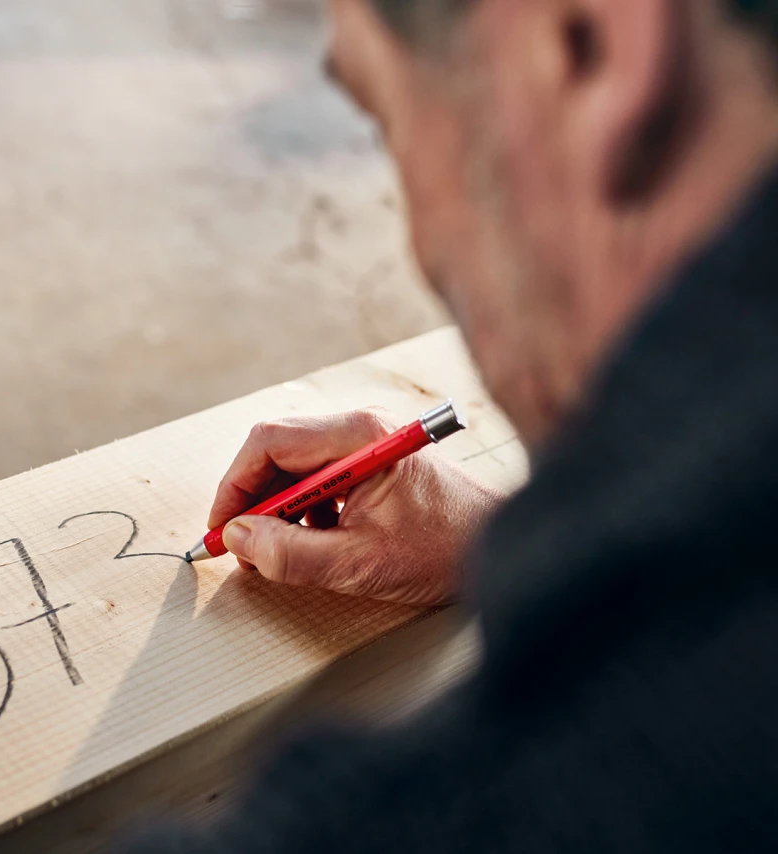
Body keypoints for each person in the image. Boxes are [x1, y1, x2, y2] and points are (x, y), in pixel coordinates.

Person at [121, 0, 778, 850]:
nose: (424, 247)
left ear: (586, 45)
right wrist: (496, 542)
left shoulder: (649, 734)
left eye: (389, 113)